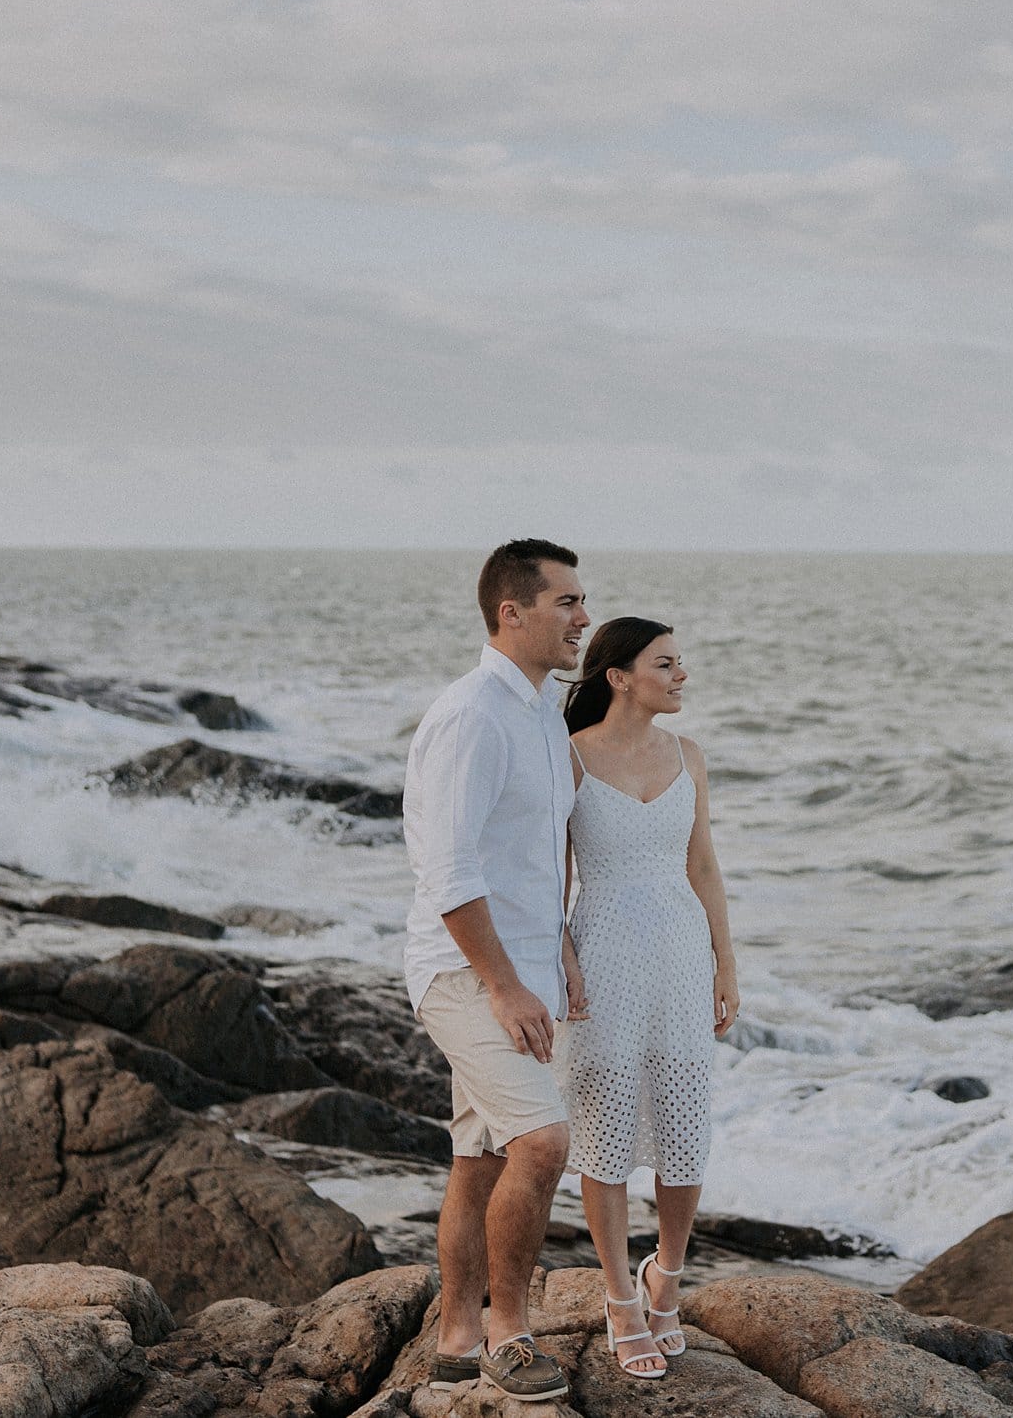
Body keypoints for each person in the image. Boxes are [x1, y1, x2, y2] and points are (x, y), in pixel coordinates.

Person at [401, 539, 590, 1404]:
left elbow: (539, 847)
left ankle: (454, 1337)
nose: (582, 617)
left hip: (521, 966)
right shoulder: (472, 713)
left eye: (582, 603)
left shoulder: (543, 711)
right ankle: (509, 1336)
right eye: (565, 602)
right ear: (512, 612)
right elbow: (450, 873)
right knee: (543, 1142)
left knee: (479, 1158)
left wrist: (560, 952)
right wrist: (507, 985)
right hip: (465, 973)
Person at [555, 616, 742, 1381]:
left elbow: (704, 865)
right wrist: (561, 956)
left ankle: (665, 1275)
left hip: (678, 950)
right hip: (600, 949)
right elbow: (548, 874)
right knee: (602, 1127)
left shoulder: (689, 756)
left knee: (685, 1117)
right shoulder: (567, 758)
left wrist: (725, 963)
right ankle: (617, 1298)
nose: (682, 675)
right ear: (620, 676)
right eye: (666, 663)